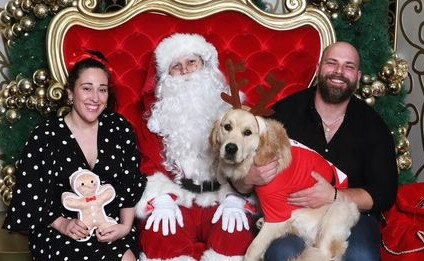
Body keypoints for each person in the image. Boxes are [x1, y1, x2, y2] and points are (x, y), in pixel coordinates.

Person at [234, 41, 399, 261]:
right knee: (281, 252)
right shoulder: (284, 113)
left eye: (348, 66)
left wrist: (335, 195)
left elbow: (384, 194)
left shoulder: (374, 127)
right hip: (291, 215)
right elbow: (239, 174)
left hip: (352, 216)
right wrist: (249, 178)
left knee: (362, 255)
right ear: (319, 68)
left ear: (358, 78)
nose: (339, 72)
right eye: (332, 63)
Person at [2, 50, 146, 261]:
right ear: (70, 93)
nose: (95, 98)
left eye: (102, 90)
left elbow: (129, 184)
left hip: (110, 225)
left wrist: (124, 227)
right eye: (87, 88)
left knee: (125, 258)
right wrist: (63, 224)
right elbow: (30, 193)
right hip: (60, 231)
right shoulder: (45, 136)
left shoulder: (119, 129)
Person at [135, 33, 254, 261]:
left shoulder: (234, 111)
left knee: (235, 234)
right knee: (160, 235)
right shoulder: (155, 120)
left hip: (222, 196)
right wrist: (160, 199)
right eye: (176, 67)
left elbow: (252, 156)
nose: (186, 70)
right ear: (165, 77)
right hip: (176, 199)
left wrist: (237, 197)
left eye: (192, 62)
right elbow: (148, 164)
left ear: (206, 66)